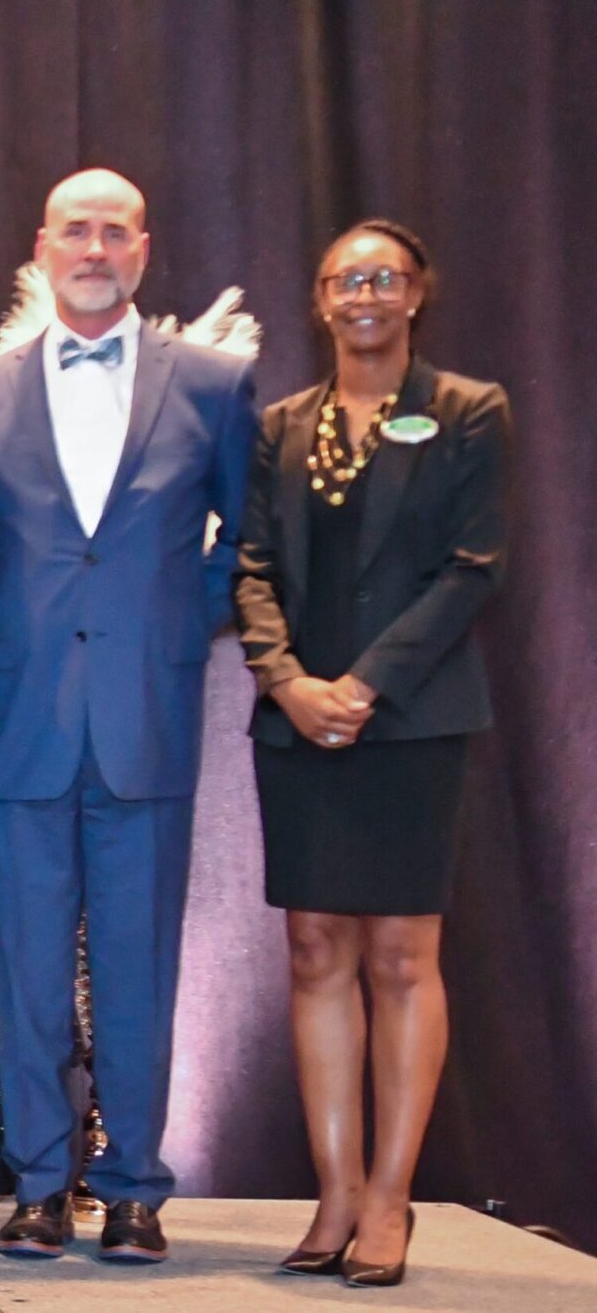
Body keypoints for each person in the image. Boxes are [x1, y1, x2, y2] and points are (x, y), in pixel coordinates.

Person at [0, 169, 256, 1264]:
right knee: (27, 970)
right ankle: (38, 1184)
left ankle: (132, 1187)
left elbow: (247, 543)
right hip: (25, 714)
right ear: (41, 245)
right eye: (72, 230)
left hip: (146, 715)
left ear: (141, 247)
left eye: (111, 231)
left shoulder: (216, 384)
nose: (91, 247)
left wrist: (179, 618)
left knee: (138, 968)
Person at [235, 220, 508, 1289]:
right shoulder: (280, 426)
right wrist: (289, 681)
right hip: (295, 719)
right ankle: (334, 1192)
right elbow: (250, 568)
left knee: (399, 957)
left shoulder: (465, 411)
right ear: (317, 297)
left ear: (415, 295)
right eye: (345, 278)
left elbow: (470, 568)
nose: (363, 294)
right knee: (312, 951)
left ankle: (390, 1201)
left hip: (412, 718)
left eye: (382, 277)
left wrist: (362, 684)